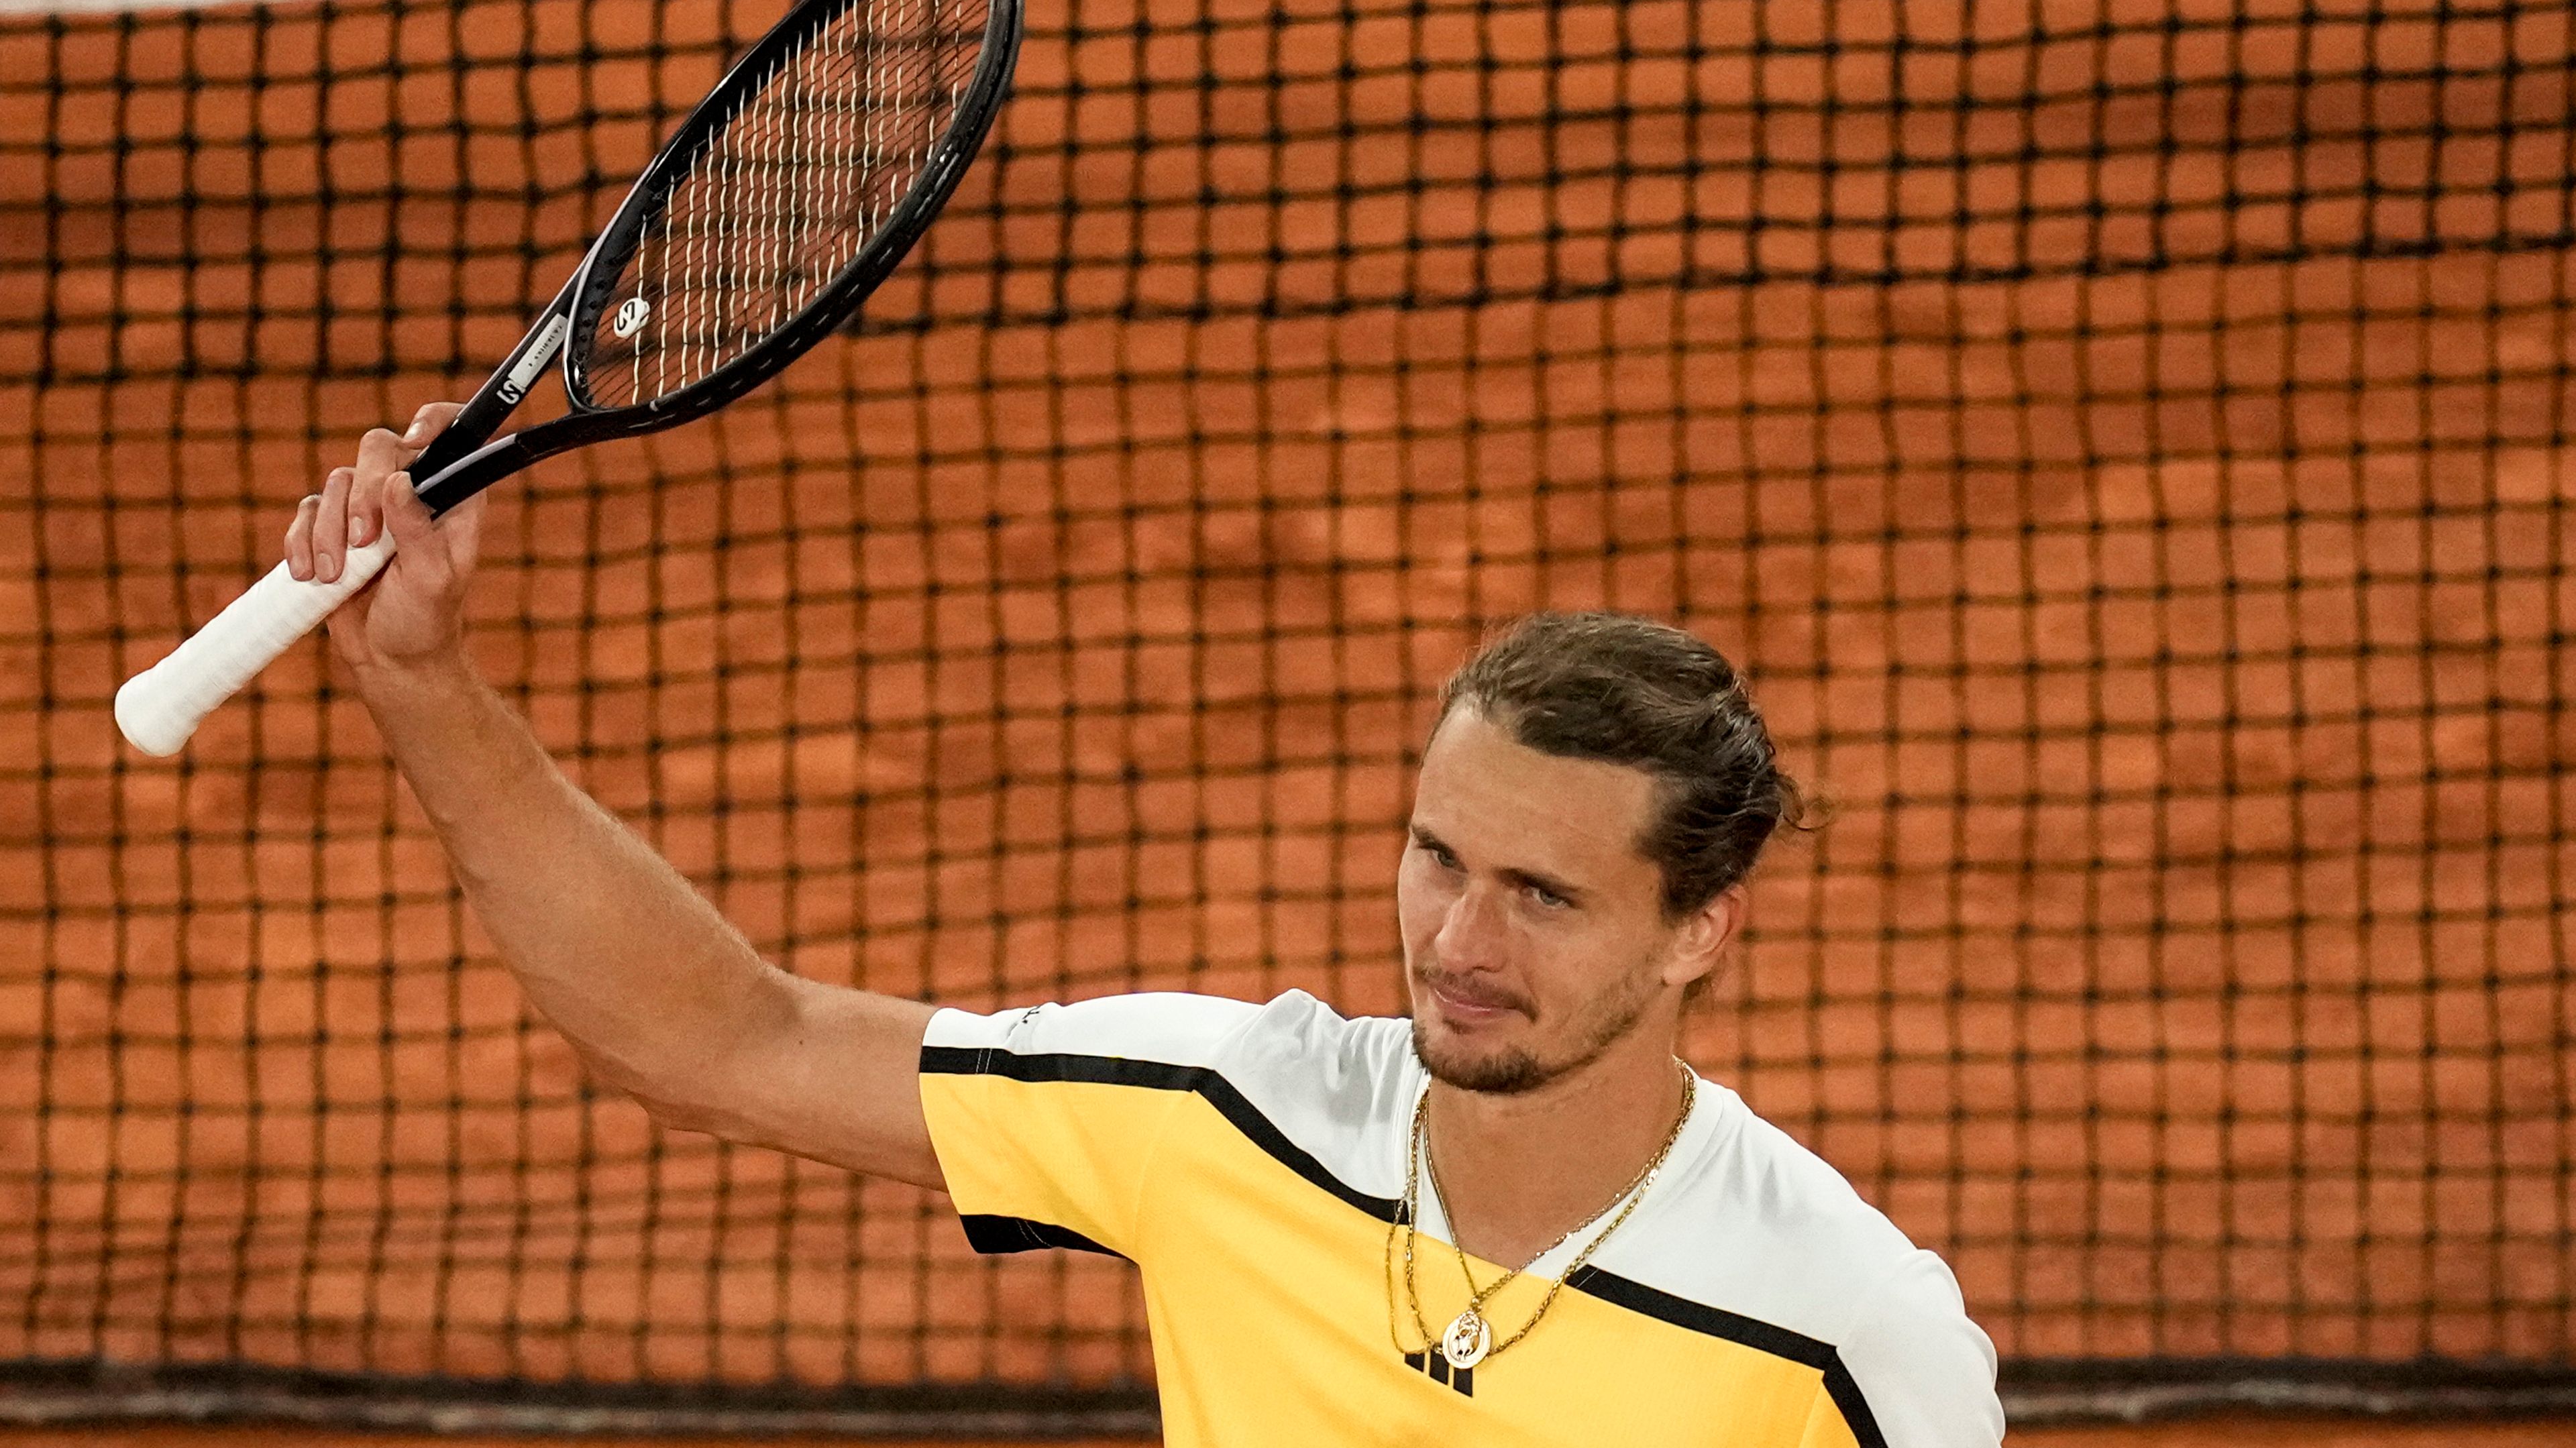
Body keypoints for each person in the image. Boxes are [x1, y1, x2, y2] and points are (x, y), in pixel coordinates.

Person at [286, 402, 2006, 1448]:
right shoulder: (1226, 1118)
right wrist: (427, 682)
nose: (1459, 938)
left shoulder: (1844, 1327)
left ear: (1703, 926)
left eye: (1546, 894)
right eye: (1436, 857)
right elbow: (723, 1039)